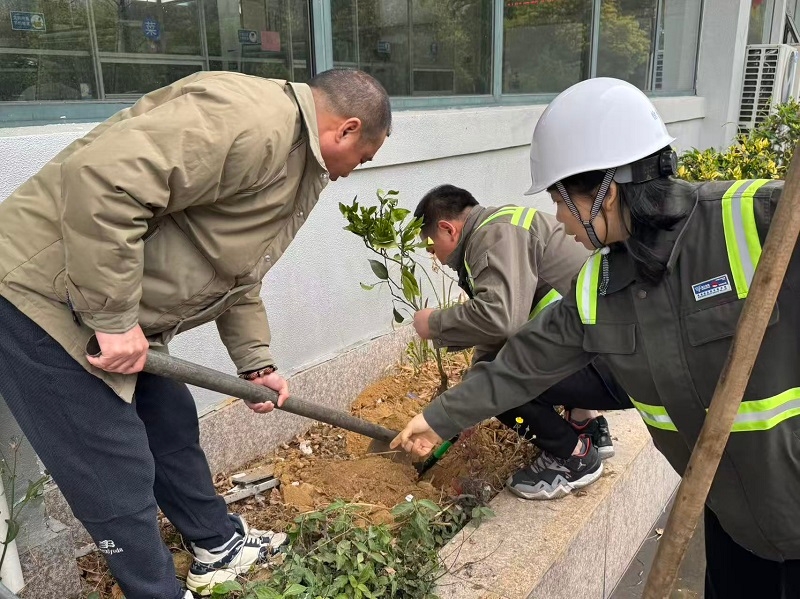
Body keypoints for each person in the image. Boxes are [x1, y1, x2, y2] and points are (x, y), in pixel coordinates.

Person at [392, 77, 800, 599]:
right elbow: (521, 364)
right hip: (730, 518)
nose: (559, 220)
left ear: (607, 188)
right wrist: (437, 418)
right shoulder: (599, 287)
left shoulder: (758, 220)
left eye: (563, 199)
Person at [0, 68, 390, 599]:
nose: (352, 172)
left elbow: (239, 268)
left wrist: (256, 361)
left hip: (105, 303)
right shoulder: (251, 121)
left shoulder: (295, 155)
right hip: (41, 297)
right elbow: (102, 178)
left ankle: (217, 545)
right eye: (362, 159)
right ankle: (156, 591)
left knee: (169, 419)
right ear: (345, 130)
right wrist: (114, 319)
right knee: (113, 465)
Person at [411, 184, 630, 499]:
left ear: (448, 230)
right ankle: (587, 426)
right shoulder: (502, 227)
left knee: (505, 388)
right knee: (497, 374)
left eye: (433, 249)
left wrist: (433, 323)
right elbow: (500, 335)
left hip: (610, 363)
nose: (438, 260)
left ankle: (574, 458)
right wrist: (469, 400)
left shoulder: (492, 239)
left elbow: (498, 319)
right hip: (609, 353)